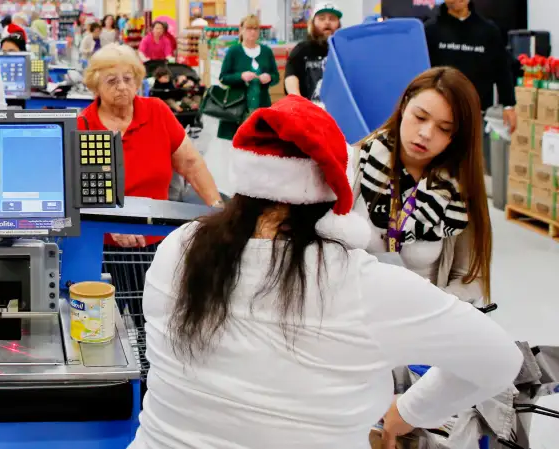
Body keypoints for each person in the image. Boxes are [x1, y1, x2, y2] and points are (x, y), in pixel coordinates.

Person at [129, 94, 523, 449]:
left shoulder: (178, 249)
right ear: (333, 199)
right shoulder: (362, 285)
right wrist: (412, 408)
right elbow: (501, 359)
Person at [354, 67, 492, 303]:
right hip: (354, 313)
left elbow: (470, 277)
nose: (426, 133)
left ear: (456, 137)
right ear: (405, 104)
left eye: (444, 129)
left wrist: (435, 304)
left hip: (419, 323)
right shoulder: (358, 163)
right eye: (420, 117)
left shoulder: (458, 191)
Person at [78, 44, 222, 247]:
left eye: (128, 79)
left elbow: (191, 163)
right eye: (112, 81)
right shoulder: (83, 125)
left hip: (158, 237)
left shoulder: (157, 112)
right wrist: (110, 222)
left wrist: (217, 208)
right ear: (95, 87)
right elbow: (78, 191)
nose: (122, 86)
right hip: (103, 246)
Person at [424, 0, 517, 133]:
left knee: (475, 153)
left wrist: (509, 106)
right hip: (437, 113)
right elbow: (421, 73)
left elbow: (502, 69)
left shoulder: (488, 31)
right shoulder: (429, 30)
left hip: (476, 115)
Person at [217, 14, 279, 141]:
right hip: (237, 107)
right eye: (249, 28)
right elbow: (223, 77)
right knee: (237, 143)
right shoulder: (234, 51)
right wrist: (240, 76)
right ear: (241, 30)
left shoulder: (266, 51)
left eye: (256, 29)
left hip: (261, 104)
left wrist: (269, 78)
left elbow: (276, 76)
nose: (252, 32)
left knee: (261, 143)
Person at [284, 2, 341, 103]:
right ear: (313, 22)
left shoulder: (343, 51)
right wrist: (298, 100)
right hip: (309, 111)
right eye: (322, 18)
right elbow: (291, 76)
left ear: (338, 24)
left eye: (332, 19)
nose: (327, 22)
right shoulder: (301, 50)